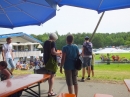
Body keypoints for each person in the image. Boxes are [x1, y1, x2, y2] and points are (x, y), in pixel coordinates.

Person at [43, 33, 60, 97]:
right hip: (52, 62)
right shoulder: (52, 42)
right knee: (52, 76)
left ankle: (50, 89)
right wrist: (59, 53)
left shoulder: (45, 42)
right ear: (54, 38)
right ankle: (50, 92)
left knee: (49, 76)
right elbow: (53, 52)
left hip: (46, 61)